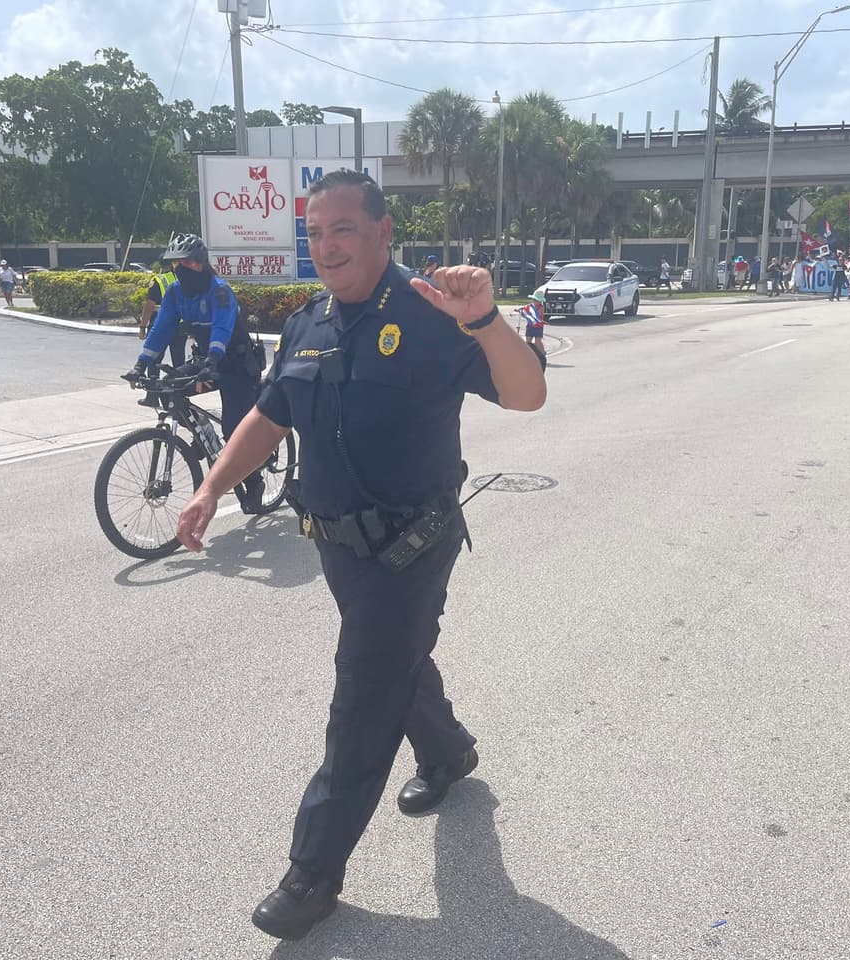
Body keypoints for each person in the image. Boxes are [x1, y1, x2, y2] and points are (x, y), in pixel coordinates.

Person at [174, 170, 545, 942]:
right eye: (315, 232)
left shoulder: (432, 312)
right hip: (338, 548)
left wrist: (486, 321)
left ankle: (312, 873)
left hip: (412, 545)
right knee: (393, 662)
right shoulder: (307, 323)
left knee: (363, 693)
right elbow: (269, 418)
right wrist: (211, 486)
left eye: (343, 228)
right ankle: (447, 752)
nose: (327, 245)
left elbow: (526, 394)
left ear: (383, 233)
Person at [126, 233, 267, 513]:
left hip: (237, 364)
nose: (182, 269)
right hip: (207, 361)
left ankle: (254, 482)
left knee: (234, 429)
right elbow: (161, 328)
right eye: (177, 264)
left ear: (201, 262)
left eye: (188, 263)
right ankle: (203, 435)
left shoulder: (219, 290)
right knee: (169, 387)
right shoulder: (175, 292)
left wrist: (213, 360)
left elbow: (222, 328)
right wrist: (141, 363)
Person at [137, 250, 180, 363]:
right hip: (179, 327)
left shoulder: (158, 281)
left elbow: (149, 306)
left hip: (160, 325)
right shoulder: (180, 279)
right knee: (179, 361)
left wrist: (142, 327)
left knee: (154, 360)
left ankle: (153, 375)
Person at [520, 290, 547, 357]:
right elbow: (525, 314)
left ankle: (542, 353)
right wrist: (522, 312)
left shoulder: (541, 307)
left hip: (538, 327)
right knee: (528, 341)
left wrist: (528, 313)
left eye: (537, 301)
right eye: (534, 300)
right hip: (530, 326)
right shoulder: (529, 306)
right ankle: (528, 354)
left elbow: (536, 316)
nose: (535, 302)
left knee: (538, 342)